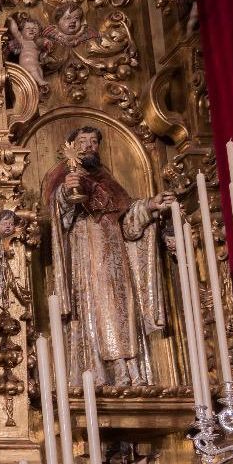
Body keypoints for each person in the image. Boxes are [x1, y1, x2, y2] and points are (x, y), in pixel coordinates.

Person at [42, 125, 172, 386]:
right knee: (97, 307)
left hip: (116, 253)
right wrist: (67, 193)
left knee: (122, 309)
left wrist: (149, 205)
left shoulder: (106, 179)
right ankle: (101, 371)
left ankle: (131, 370)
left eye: (94, 141)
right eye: (83, 140)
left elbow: (128, 224)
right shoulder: (62, 175)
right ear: (71, 145)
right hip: (86, 252)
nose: (89, 146)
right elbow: (57, 216)